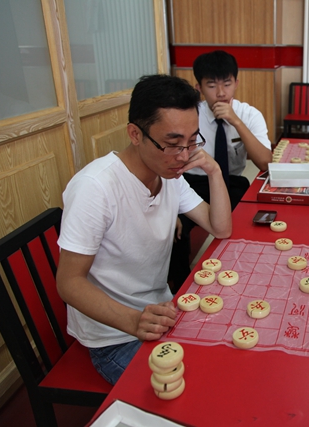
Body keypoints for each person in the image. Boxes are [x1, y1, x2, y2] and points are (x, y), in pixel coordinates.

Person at [56, 75, 232, 385]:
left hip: (161, 313)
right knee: (198, 390)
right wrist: (134, 321)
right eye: (172, 144)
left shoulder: (170, 174)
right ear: (135, 134)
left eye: (192, 141)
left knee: (226, 365)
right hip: (115, 336)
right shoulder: (95, 188)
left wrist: (214, 170)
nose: (184, 155)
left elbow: (220, 228)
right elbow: (68, 283)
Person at [169, 50, 272, 289]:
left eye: (227, 83)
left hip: (231, 182)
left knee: (248, 221)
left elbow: (265, 164)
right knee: (175, 229)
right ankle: (182, 286)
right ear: (199, 87)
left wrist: (236, 121)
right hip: (192, 182)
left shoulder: (249, 114)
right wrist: (170, 208)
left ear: (236, 83)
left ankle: (240, 274)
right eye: (212, 85)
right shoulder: (190, 115)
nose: (221, 93)